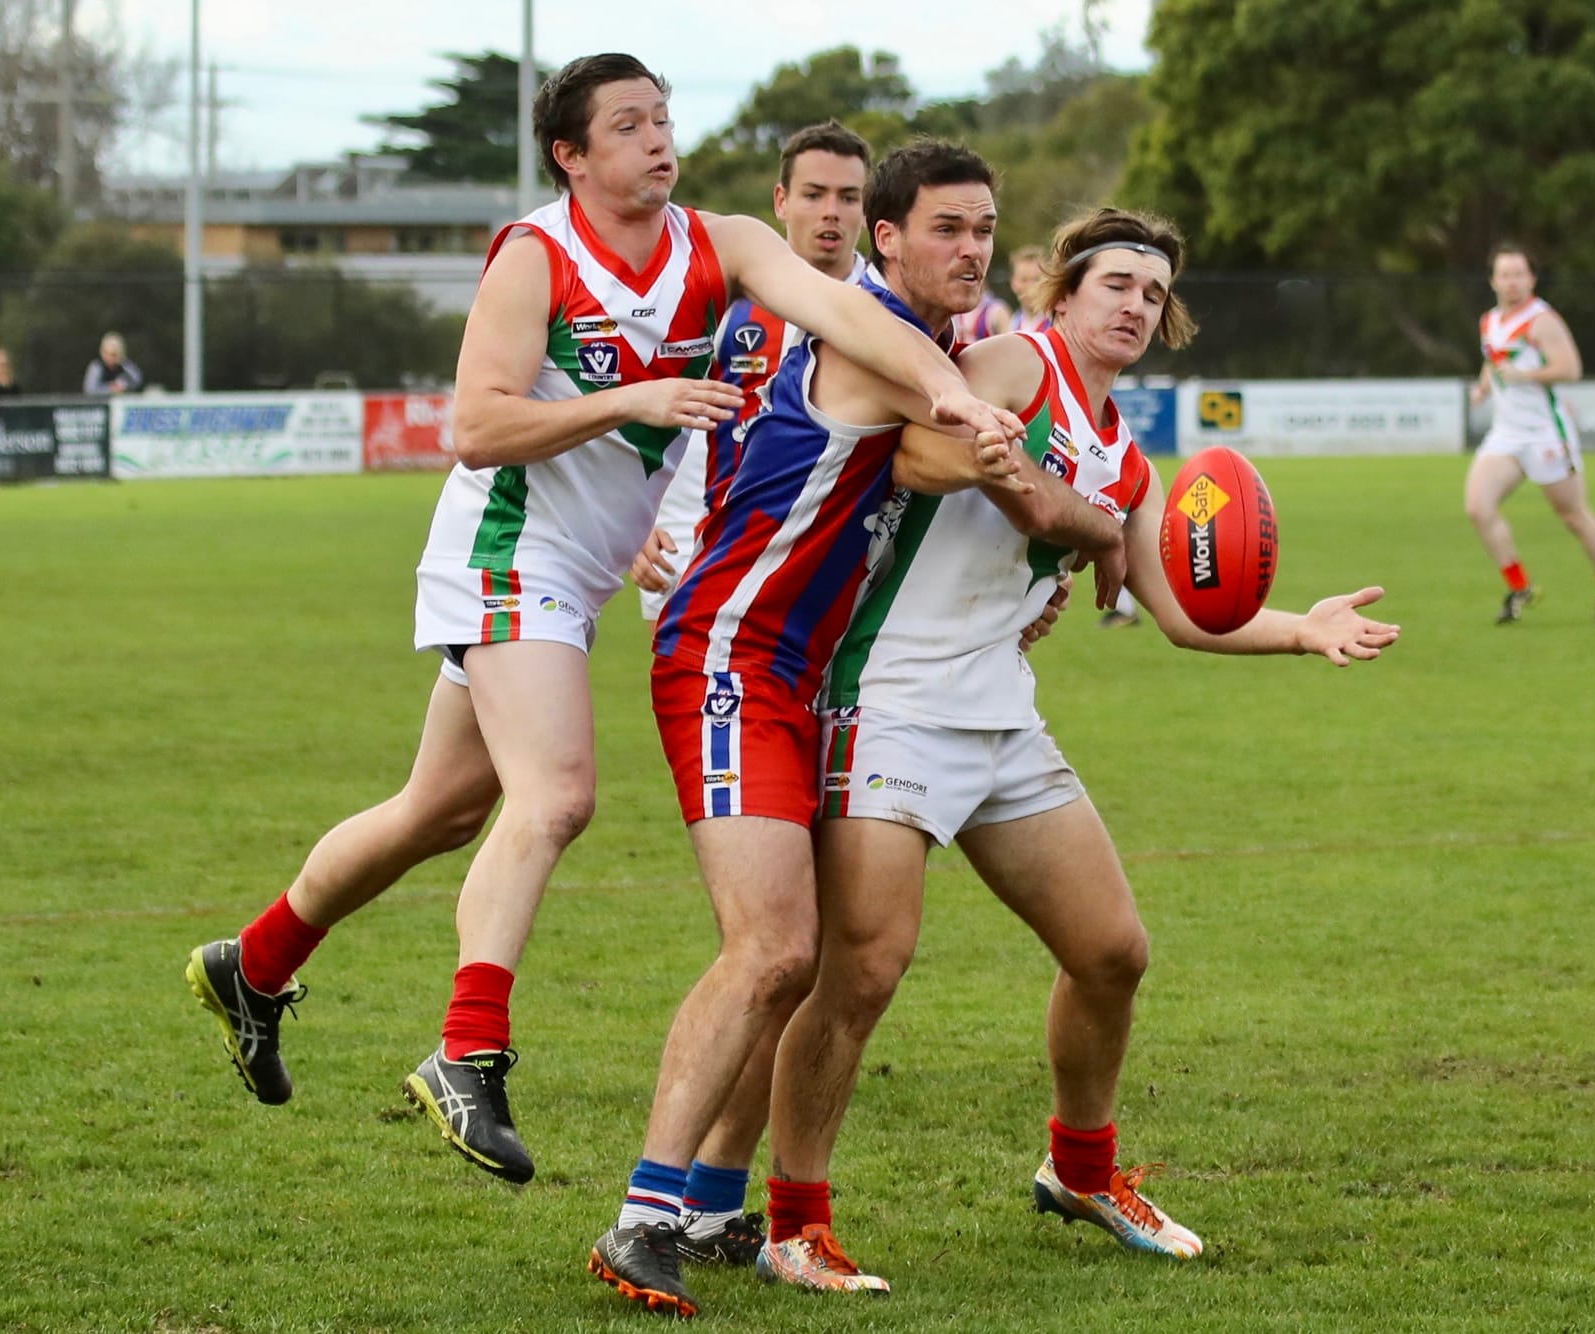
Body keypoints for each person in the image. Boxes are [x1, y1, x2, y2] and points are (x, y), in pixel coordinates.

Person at [182, 55, 1017, 1198]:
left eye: (662, 119)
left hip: (576, 574)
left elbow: (843, 312)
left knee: (440, 809)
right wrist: (630, 398)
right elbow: (475, 426)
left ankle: (255, 961)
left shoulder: (719, 241)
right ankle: (467, 1050)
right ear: (571, 156)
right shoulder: (537, 255)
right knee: (557, 795)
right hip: (505, 547)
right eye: (628, 126)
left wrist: (950, 392)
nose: (657, 141)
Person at [757, 207, 1402, 1296]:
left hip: (1000, 715)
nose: (1135, 306)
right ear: (1063, 293)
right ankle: (793, 1225)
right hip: (889, 700)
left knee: (1111, 951)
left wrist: (1305, 627)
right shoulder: (1015, 364)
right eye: (1115, 285)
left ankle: (1081, 1171)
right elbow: (911, 450)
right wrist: (1045, 500)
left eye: (1153, 294)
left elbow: (1182, 614)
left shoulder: (1129, 463)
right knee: (862, 969)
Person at [587, 140, 1029, 1319]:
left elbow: (946, 463)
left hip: (806, 677)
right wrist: (989, 423)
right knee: (771, 947)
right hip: (729, 655)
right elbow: (947, 438)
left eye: (983, 231)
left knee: (808, 957)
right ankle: (641, 1217)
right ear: (888, 238)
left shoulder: (910, 346)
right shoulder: (866, 337)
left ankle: (707, 1204)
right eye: (948, 228)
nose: (970, 250)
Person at [631, 119, 872, 623]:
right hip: (709, 545)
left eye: (848, 197)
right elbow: (649, 405)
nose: (831, 211)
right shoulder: (722, 296)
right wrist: (634, 516)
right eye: (814, 195)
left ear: (866, 209)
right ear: (781, 201)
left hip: (841, 563)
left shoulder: (888, 312)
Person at [1466, 244, 1595, 624]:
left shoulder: (1542, 321)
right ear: (1493, 280)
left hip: (1546, 435)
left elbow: (1570, 369)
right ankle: (1520, 587)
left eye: (1519, 274)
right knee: (1478, 508)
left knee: (1573, 516)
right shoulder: (1489, 321)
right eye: (1504, 274)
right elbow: (1494, 359)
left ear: (1532, 278)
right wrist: (1483, 387)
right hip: (1506, 434)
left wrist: (1526, 376)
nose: (1512, 282)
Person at [1006, 244, 1054, 333]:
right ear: (1013, 283)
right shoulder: (1013, 323)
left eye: (1037, 279)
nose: (1030, 287)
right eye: (1024, 280)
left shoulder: (1057, 322)